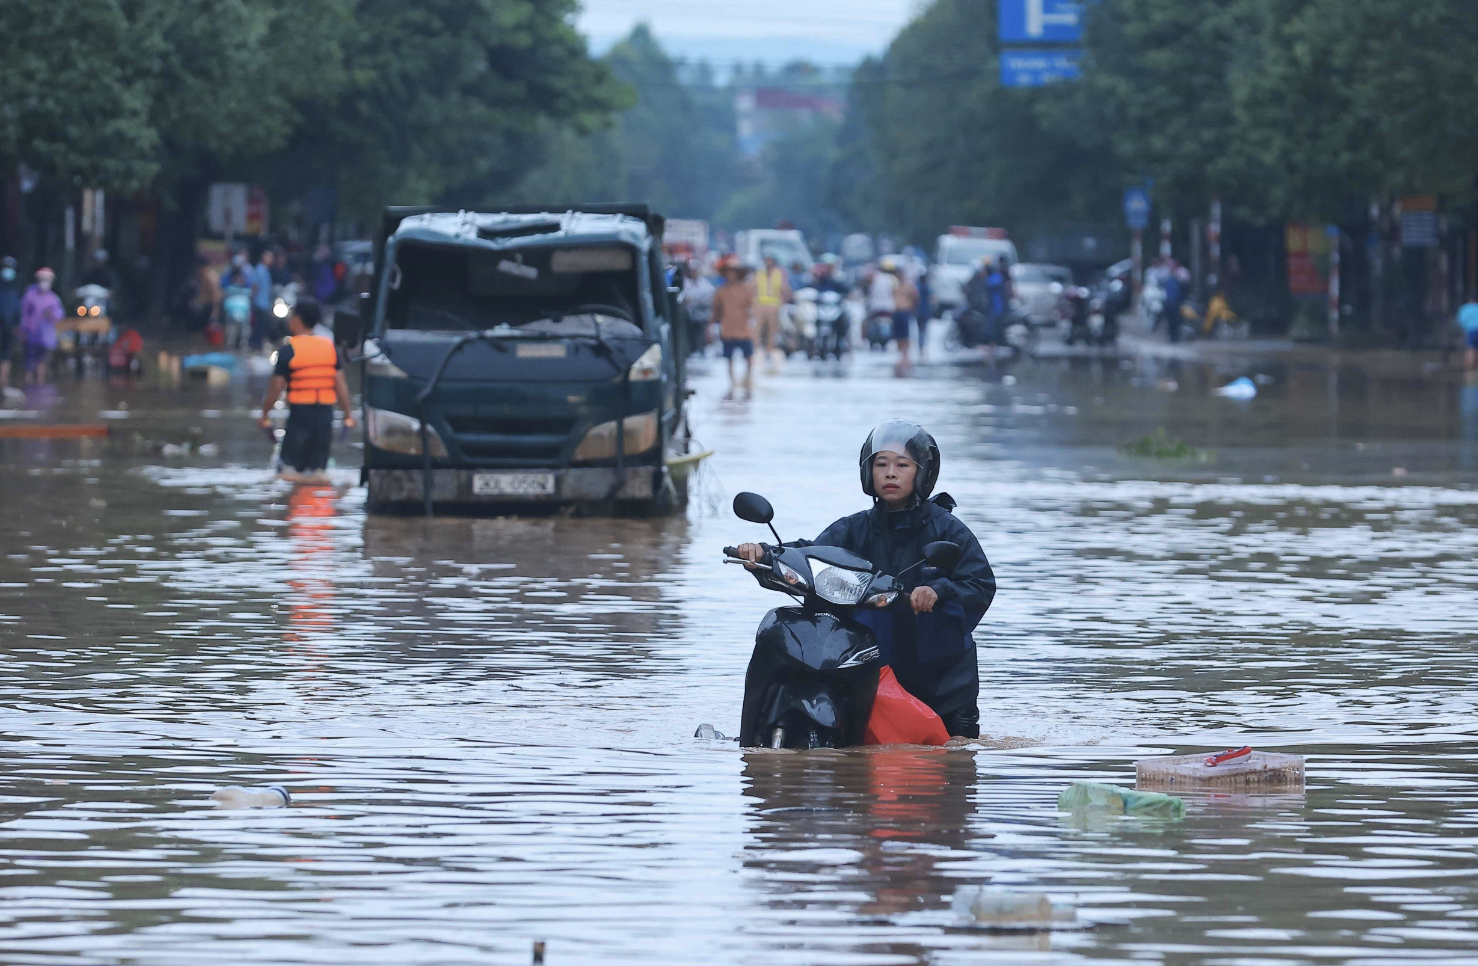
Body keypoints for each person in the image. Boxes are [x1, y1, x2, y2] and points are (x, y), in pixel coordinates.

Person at [736, 420, 996, 738]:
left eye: (902, 465)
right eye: (881, 464)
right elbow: (813, 554)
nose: (890, 473)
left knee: (953, 765)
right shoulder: (854, 528)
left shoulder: (948, 530)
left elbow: (980, 584)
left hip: (939, 679)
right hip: (863, 667)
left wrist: (937, 590)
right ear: (868, 471)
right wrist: (763, 553)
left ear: (923, 472)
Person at [257, 298, 356, 480]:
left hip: (300, 416)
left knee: (288, 470)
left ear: (297, 319)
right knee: (318, 471)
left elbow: (276, 388)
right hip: (326, 417)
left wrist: (264, 414)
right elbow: (340, 385)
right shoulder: (329, 347)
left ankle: (293, 503)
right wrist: (348, 414)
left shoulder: (289, 350)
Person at [711, 259, 756, 399]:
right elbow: (716, 311)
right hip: (728, 329)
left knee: (748, 357)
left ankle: (747, 382)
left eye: (734, 273)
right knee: (729, 358)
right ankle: (732, 384)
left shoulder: (746, 289)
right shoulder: (721, 291)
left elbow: (752, 307)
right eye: (729, 273)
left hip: (744, 329)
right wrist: (711, 326)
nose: (731, 275)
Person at [19, 267, 63, 384]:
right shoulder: (30, 295)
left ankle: (40, 382)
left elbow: (59, 314)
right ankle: (27, 383)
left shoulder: (53, 298)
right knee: (29, 360)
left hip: (46, 336)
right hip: (31, 333)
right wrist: (23, 329)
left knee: (42, 360)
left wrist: (51, 314)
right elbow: (23, 314)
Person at [753, 253, 791, 368]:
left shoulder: (779, 274)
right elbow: (752, 288)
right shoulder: (759, 274)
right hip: (760, 306)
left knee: (772, 332)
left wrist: (781, 303)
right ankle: (757, 354)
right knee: (757, 332)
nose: (767, 263)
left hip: (774, 306)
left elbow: (785, 290)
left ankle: (770, 353)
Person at [891, 262, 919, 376]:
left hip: (905, 311)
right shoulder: (894, 285)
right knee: (898, 334)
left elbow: (916, 297)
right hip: (896, 311)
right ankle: (900, 353)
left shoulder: (909, 285)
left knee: (906, 334)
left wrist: (912, 307)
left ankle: (905, 355)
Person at [0, 256, 21, 385]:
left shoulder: (16, 287)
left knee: (7, 354)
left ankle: (3, 380)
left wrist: (16, 325)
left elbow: (17, 309)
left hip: (10, 327)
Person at [250, 249, 276, 349]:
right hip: (259, 302)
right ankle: (255, 344)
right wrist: (253, 300)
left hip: (265, 302)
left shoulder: (265, 270)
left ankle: (257, 343)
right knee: (259, 325)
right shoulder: (259, 270)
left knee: (262, 325)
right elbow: (255, 286)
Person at [1459, 293, 1478, 371]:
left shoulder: (1464, 308)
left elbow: (1461, 321)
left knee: (1470, 349)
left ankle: (1469, 368)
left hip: (1470, 331)